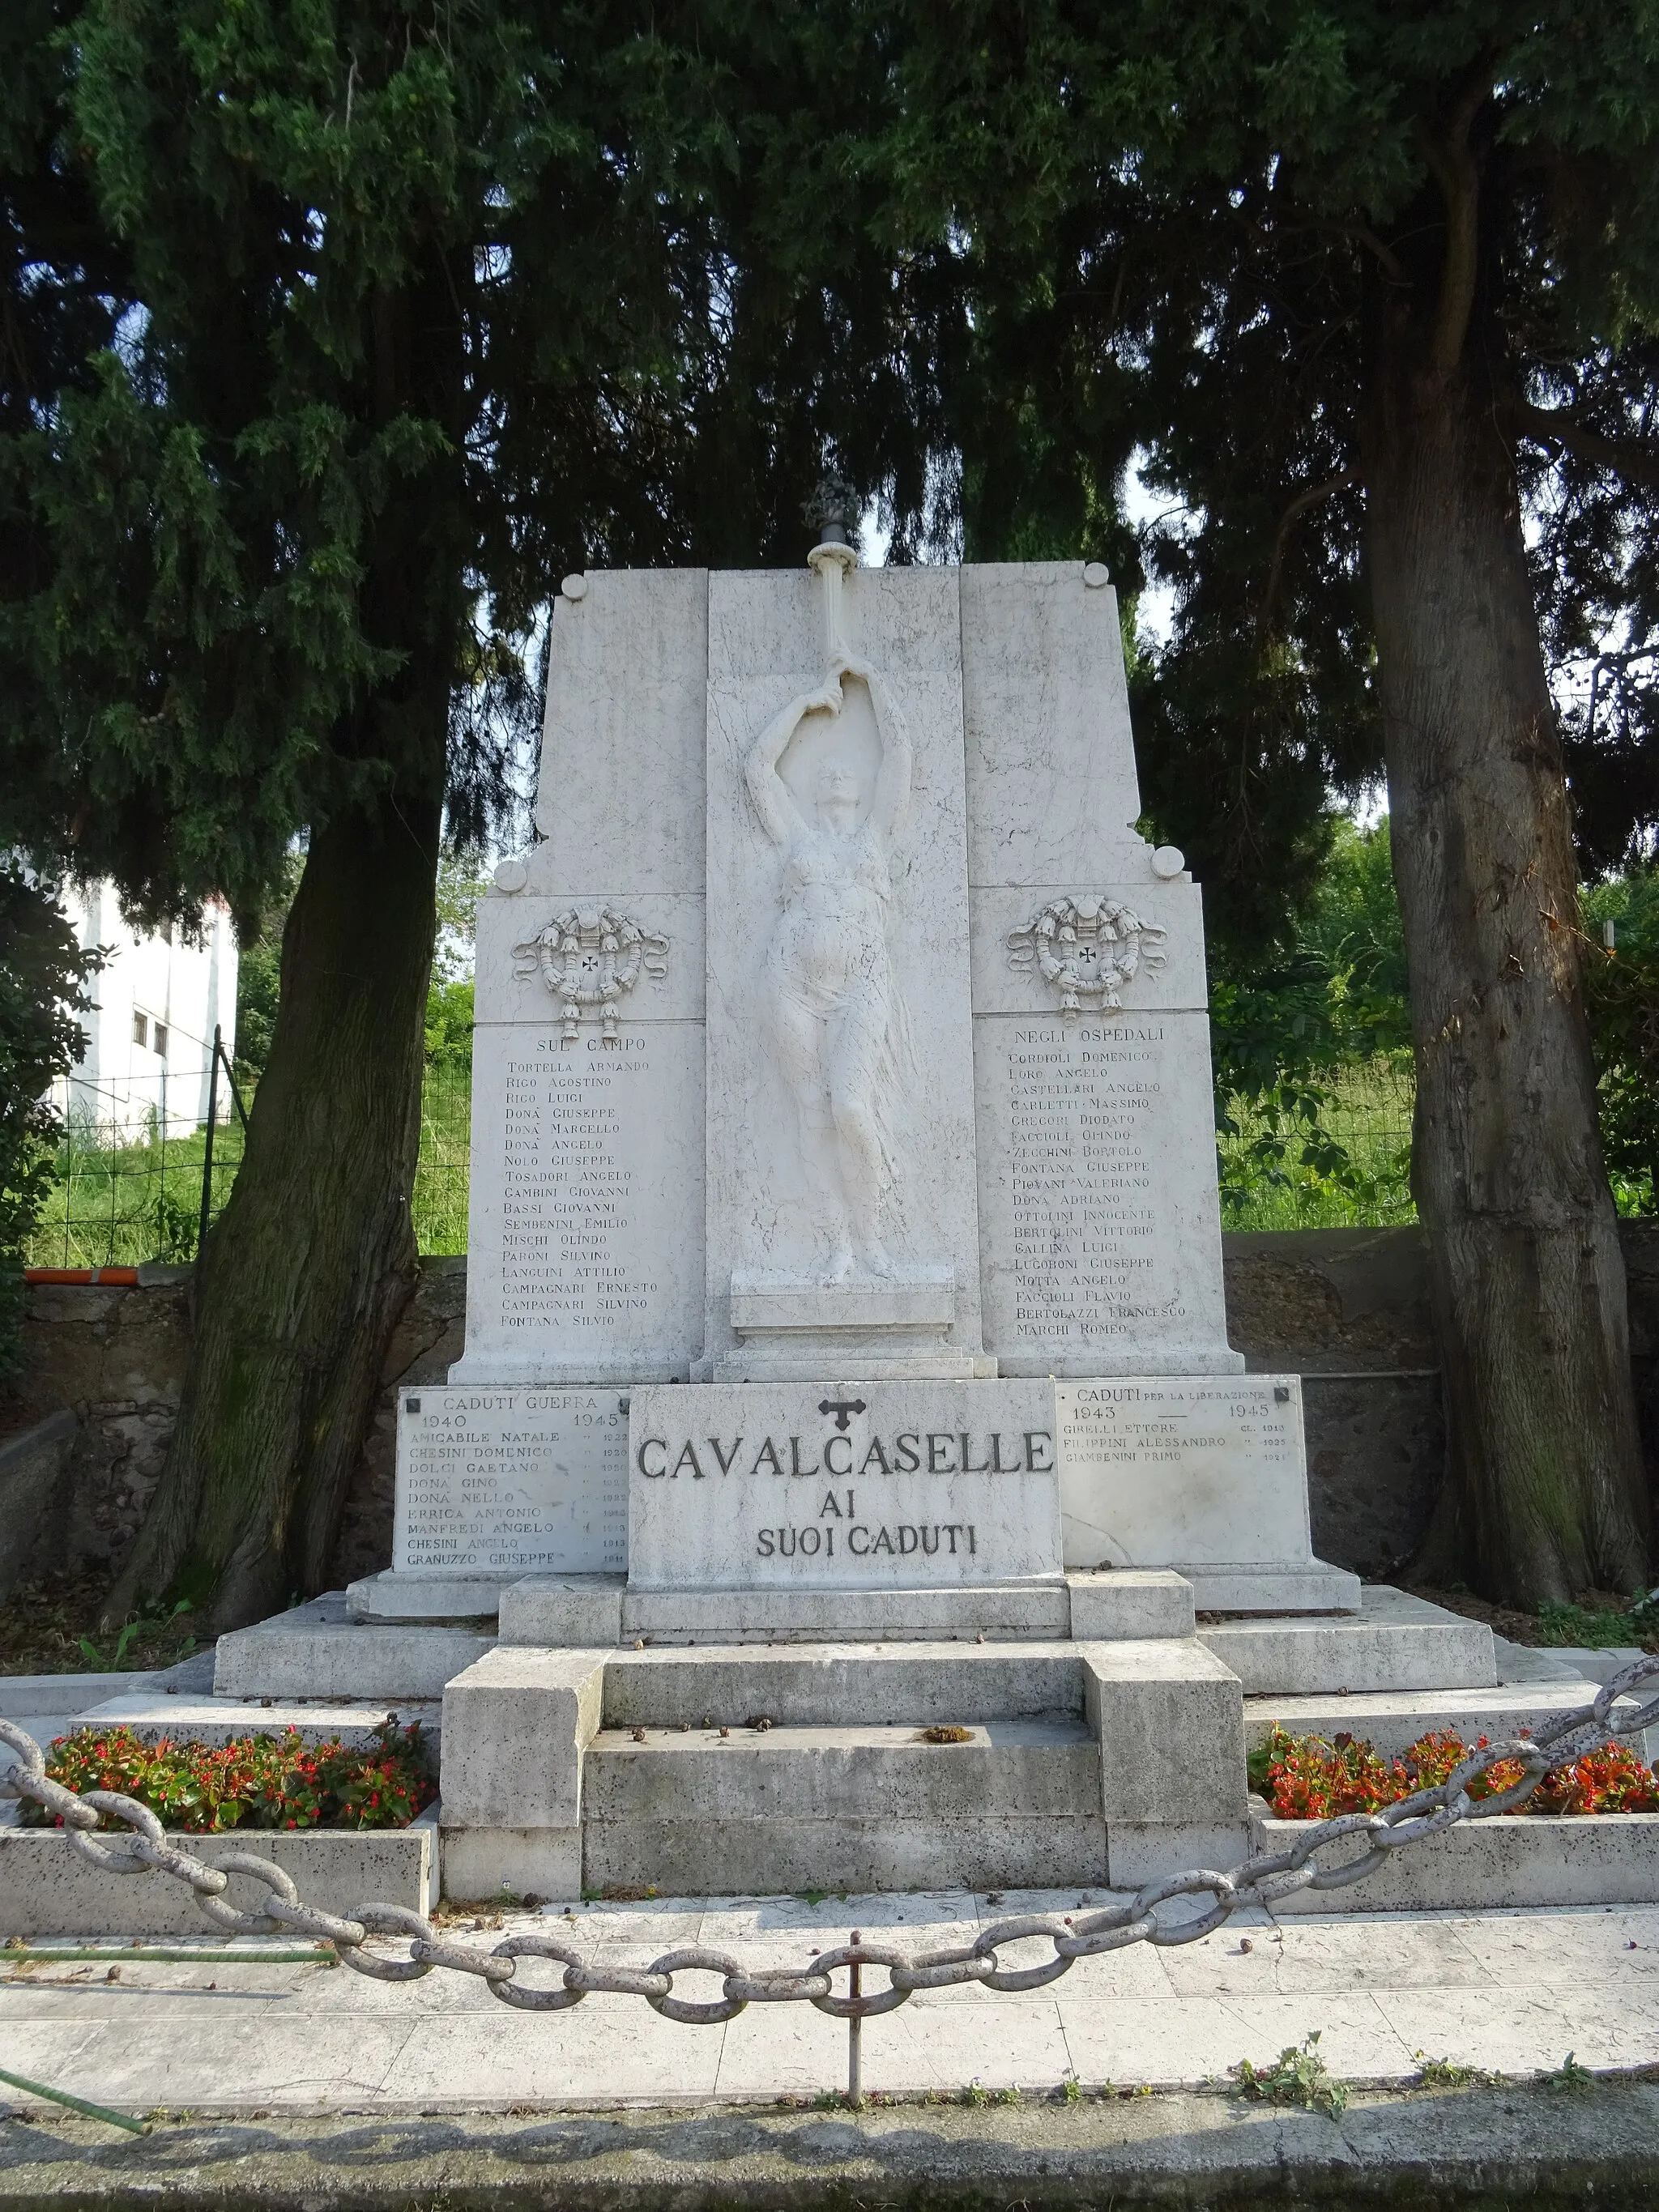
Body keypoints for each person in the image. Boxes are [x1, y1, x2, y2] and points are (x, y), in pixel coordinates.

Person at [744, 651, 914, 1281]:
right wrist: (805, 703)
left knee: (850, 1107)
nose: (841, 771)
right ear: (818, 791)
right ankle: (837, 1242)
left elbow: (900, 757)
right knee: (811, 1112)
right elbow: (758, 768)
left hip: (861, 983)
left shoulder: (876, 837)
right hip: (791, 982)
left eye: (850, 769)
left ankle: (872, 1239)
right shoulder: (796, 838)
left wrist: (874, 681)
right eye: (829, 771)